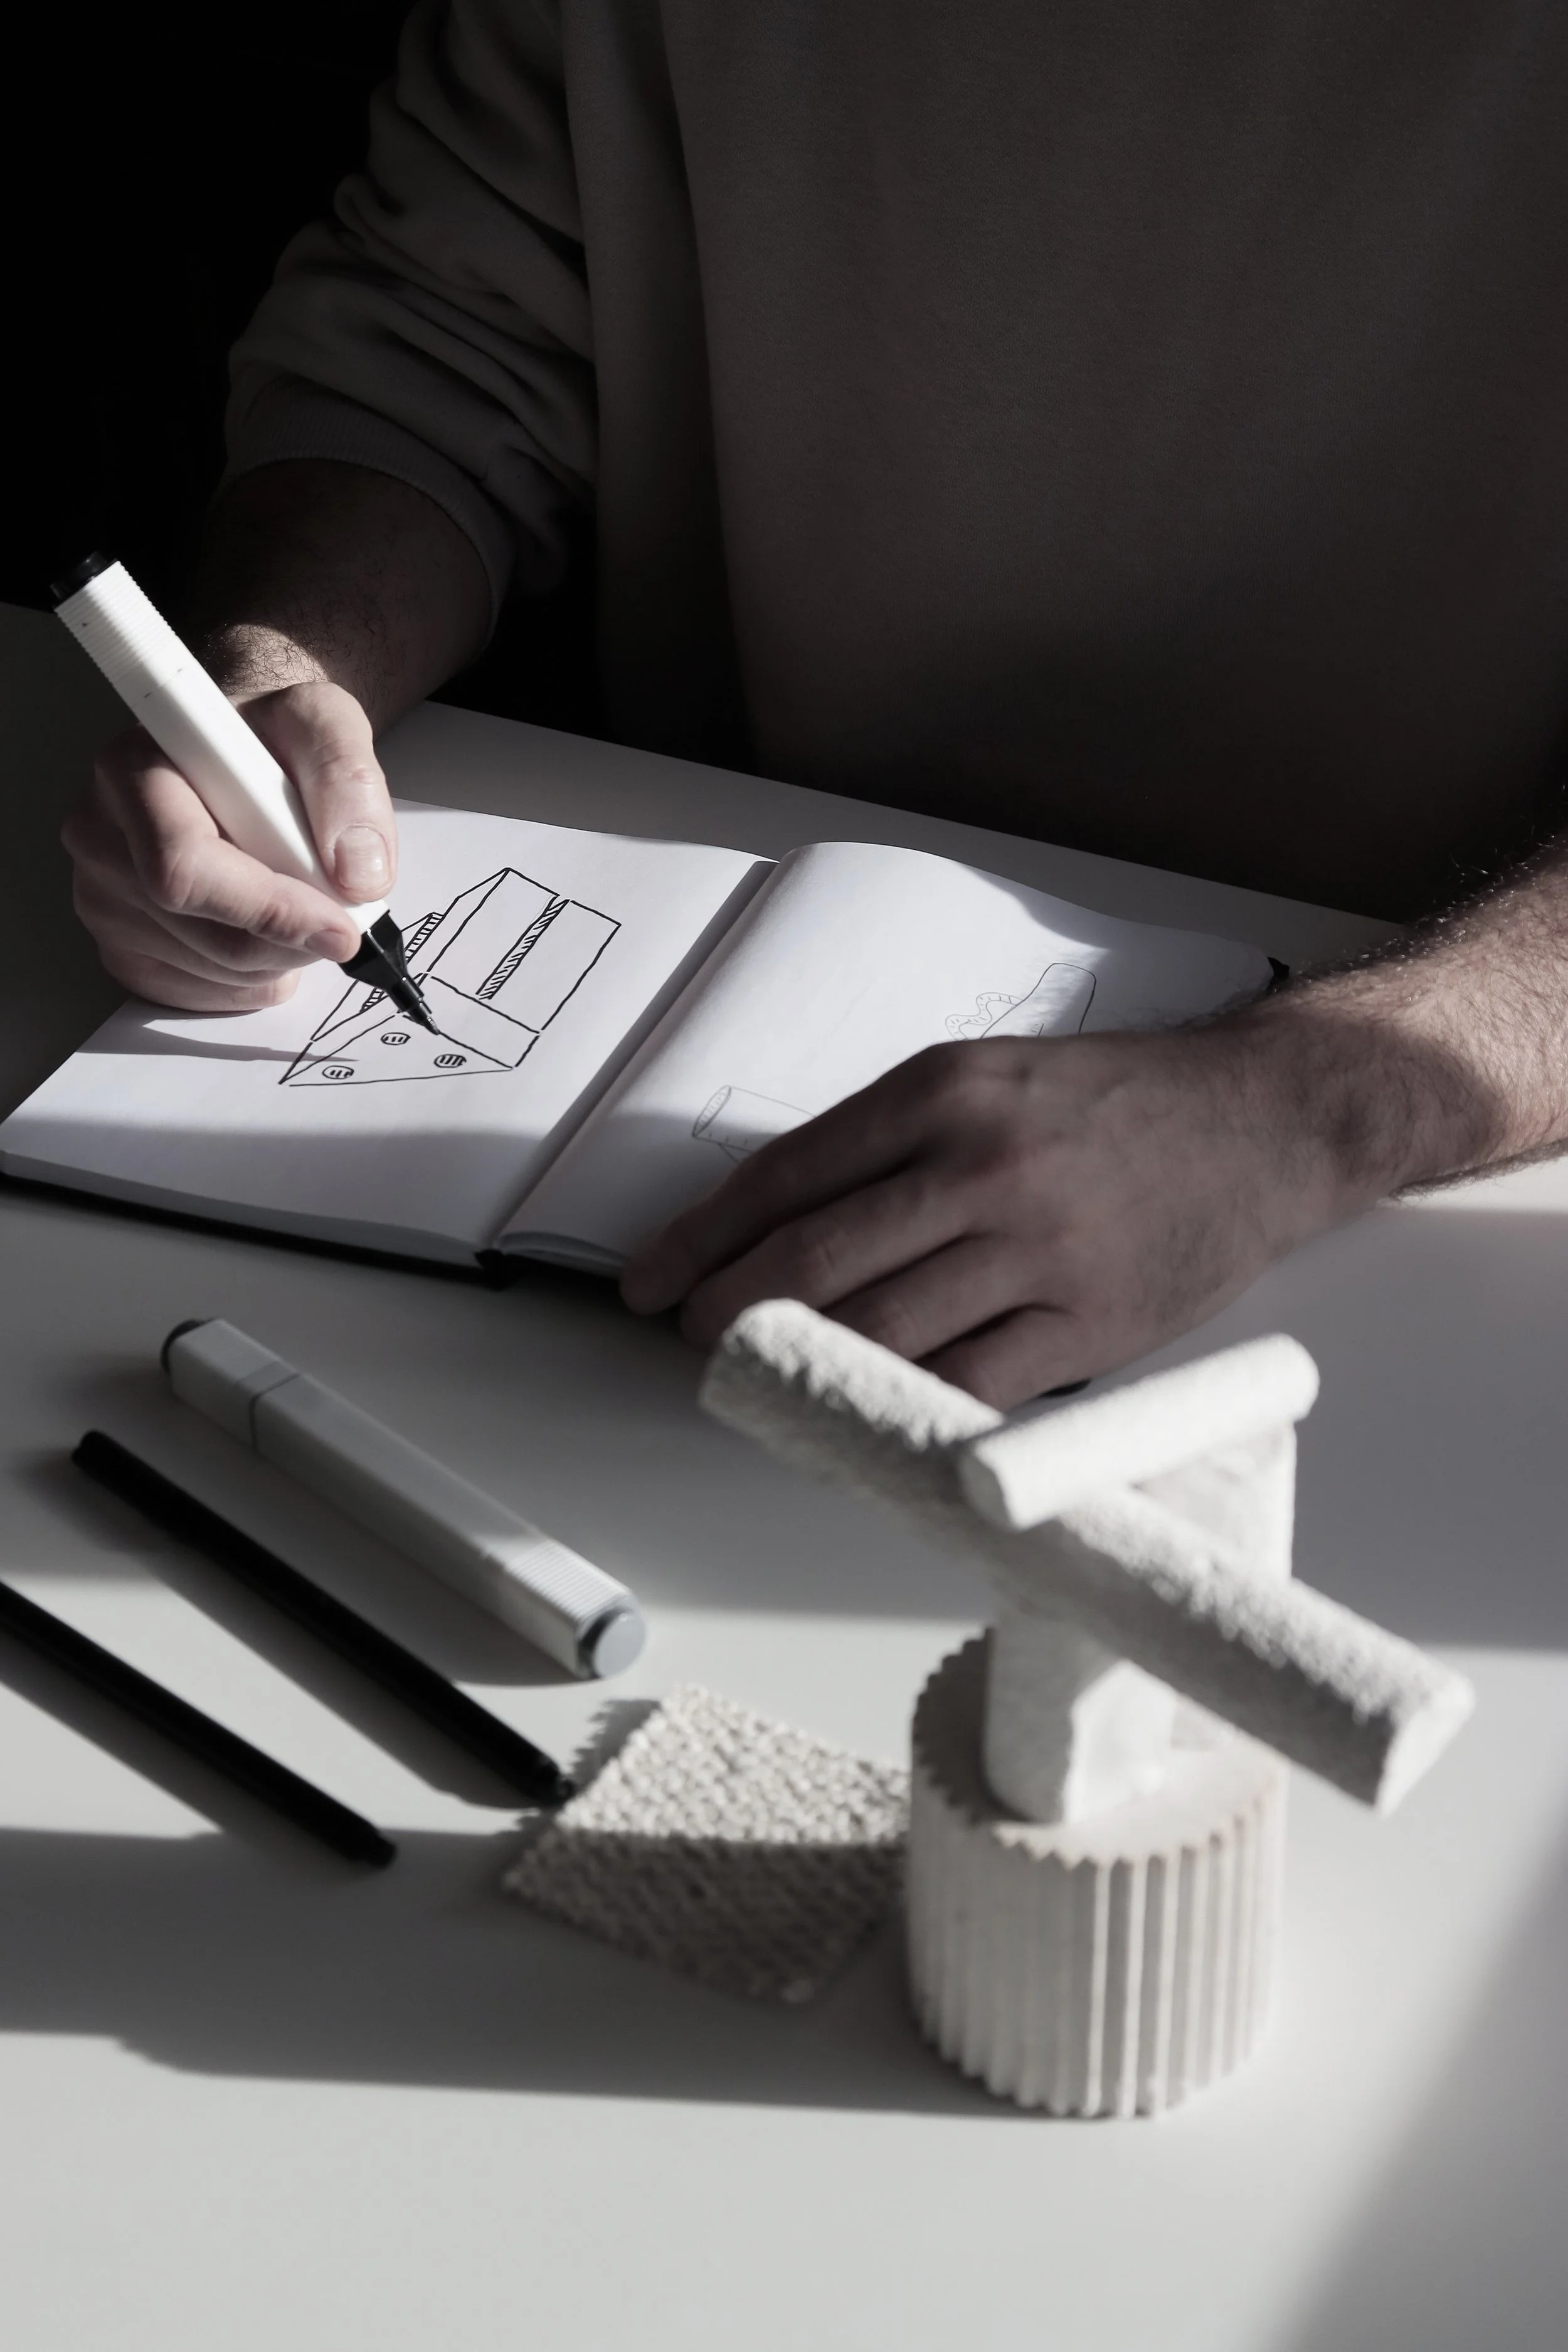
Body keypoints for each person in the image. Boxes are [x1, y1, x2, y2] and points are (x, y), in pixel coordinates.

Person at [62, 0, 1568, 1406]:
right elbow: (446, 347)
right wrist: (281, 669)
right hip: (686, 989)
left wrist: (1317, 1107)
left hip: (1439, 1109)